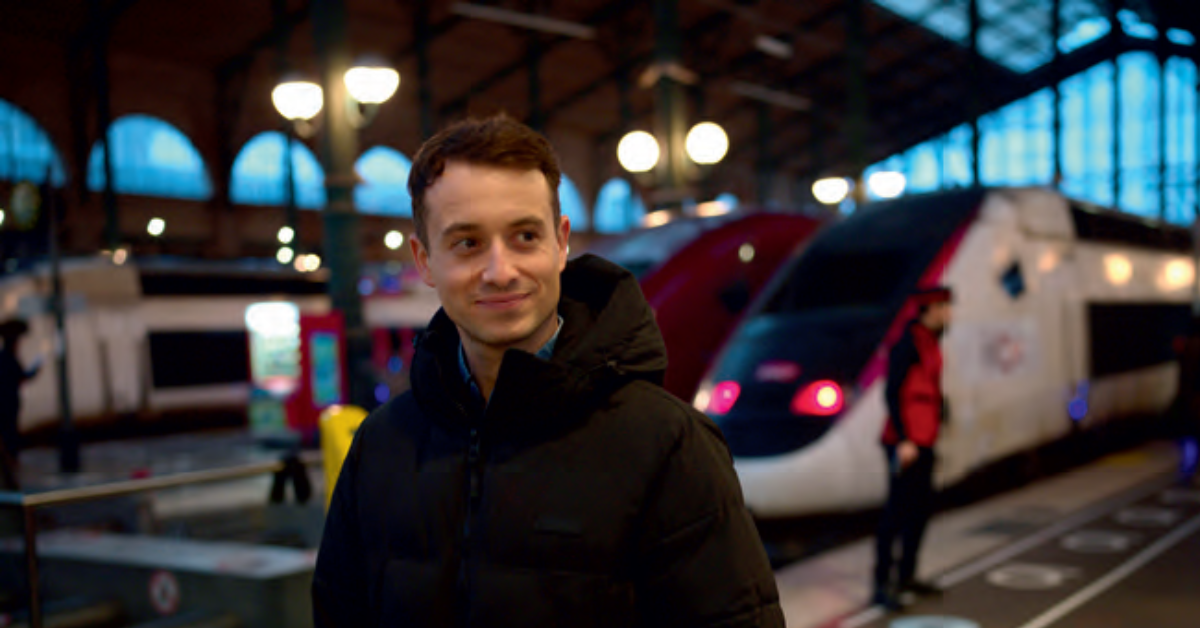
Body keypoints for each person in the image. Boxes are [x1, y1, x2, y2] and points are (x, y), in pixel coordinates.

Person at [312, 115, 783, 627]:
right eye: (467, 243)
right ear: (424, 260)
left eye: (524, 236)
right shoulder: (381, 446)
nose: (500, 271)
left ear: (560, 243)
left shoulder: (669, 444)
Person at [872, 286, 952, 611]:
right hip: (904, 444)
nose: (949, 314)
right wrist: (904, 439)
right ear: (929, 309)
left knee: (920, 512)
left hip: (925, 440)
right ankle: (880, 584)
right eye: (944, 308)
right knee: (895, 514)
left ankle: (907, 575)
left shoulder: (932, 342)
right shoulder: (906, 345)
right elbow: (892, 393)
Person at [0, 319, 38, 489]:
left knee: (9, 436)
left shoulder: (6, 358)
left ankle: (10, 471)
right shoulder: (8, 358)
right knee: (9, 436)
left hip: (8, 404)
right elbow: (22, 377)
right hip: (7, 405)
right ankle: (10, 472)